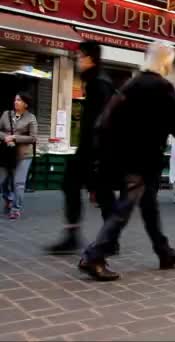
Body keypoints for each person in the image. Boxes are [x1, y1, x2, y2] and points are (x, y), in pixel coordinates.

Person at [78, 41, 175, 281]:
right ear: (165, 60)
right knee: (124, 208)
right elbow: (174, 120)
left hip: (124, 156)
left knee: (149, 205)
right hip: (141, 159)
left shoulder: (132, 83)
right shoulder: (161, 86)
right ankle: (94, 255)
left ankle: (163, 252)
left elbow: (108, 120)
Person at [46, 41, 118, 255]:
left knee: (97, 193)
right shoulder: (97, 81)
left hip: (95, 151)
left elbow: (101, 121)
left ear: (90, 58)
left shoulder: (99, 83)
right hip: (93, 150)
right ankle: (101, 238)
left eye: (80, 57)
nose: (78, 61)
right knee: (93, 192)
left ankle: (92, 238)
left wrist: (96, 154)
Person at [0, 92, 37, 220]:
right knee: (3, 181)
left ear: (26, 104)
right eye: (15, 99)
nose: (16, 102)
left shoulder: (31, 118)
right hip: (6, 153)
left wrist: (15, 137)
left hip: (23, 155)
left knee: (18, 183)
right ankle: (8, 198)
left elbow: (33, 137)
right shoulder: (6, 114)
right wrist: (6, 137)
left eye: (19, 100)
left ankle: (16, 209)